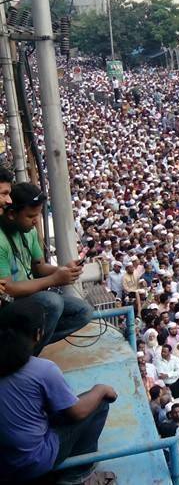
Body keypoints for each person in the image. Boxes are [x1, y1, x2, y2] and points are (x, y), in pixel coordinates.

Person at [0, 300, 116, 483]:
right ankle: (78, 474)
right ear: (39, 334)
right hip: (29, 463)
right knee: (98, 404)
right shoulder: (42, 370)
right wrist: (100, 389)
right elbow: (77, 413)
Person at [0, 183, 91, 354]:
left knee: (83, 311)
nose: (36, 221)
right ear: (12, 214)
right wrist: (54, 279)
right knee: (52, 302)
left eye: (38, 215)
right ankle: (27, 356)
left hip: (30, 298)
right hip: (8, 306)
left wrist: (63, 270)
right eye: (30, 216)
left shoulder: (30, 231)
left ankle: (25, 346)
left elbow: (39, 267)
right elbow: (9, 289)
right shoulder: (1, 240)